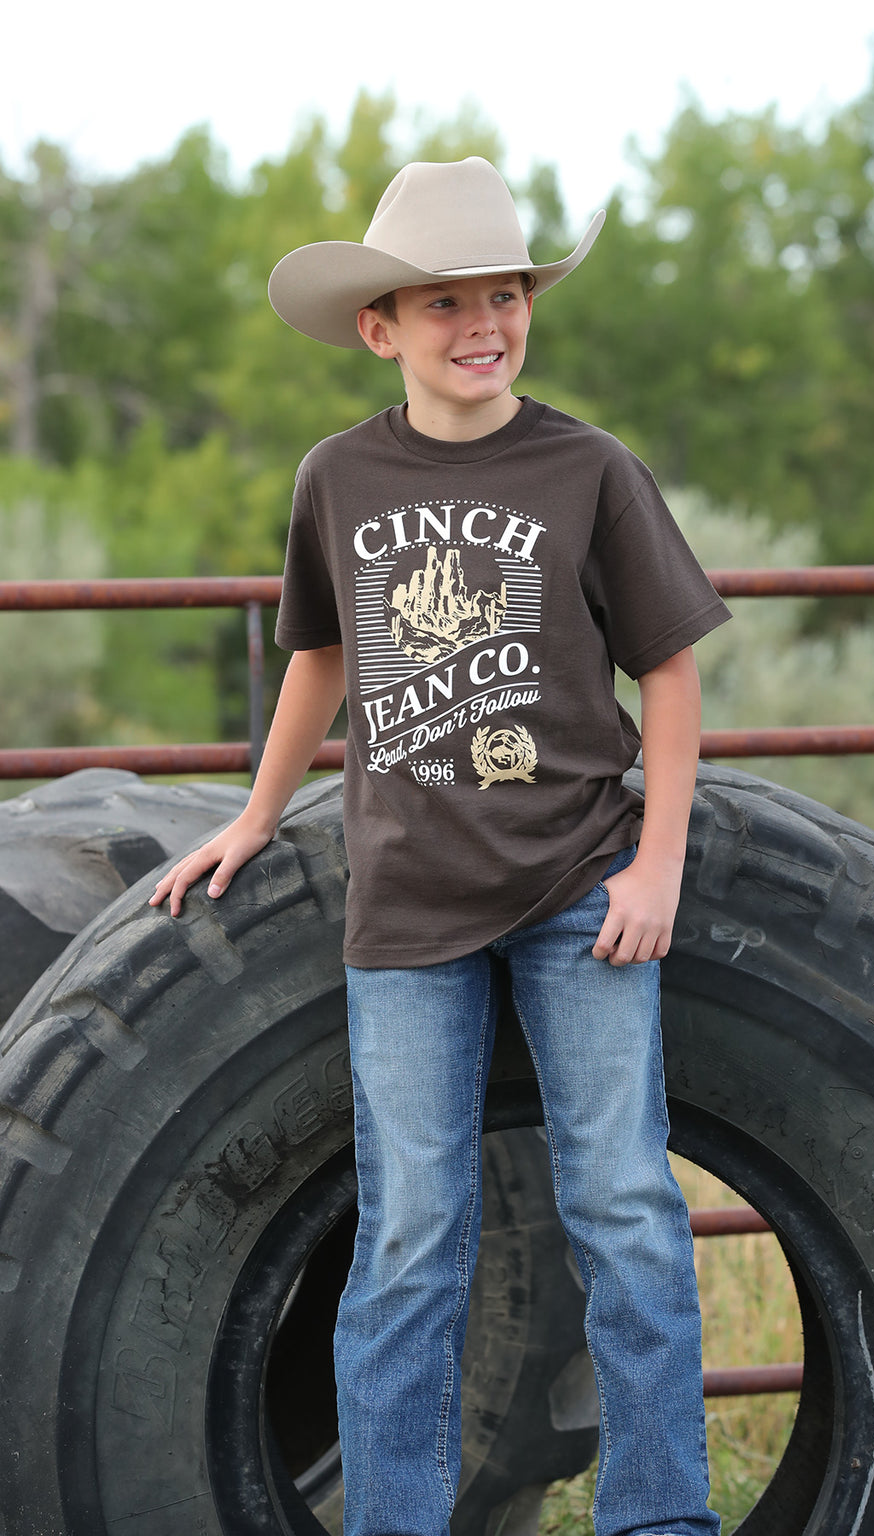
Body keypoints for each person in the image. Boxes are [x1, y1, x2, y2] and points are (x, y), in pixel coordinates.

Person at [151, 156, 730, 1536]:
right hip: (404, 909)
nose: (486, 324)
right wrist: (251, 811)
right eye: (449, 302)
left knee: (625, 1210)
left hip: (577, 888)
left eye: (507, 296)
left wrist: (656, 864)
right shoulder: (338, 476)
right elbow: (321, 659)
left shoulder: (589, 468)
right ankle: (398, 1523)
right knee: (412, 1237)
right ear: (382, 326)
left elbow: (671, 672)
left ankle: (660, 1517)